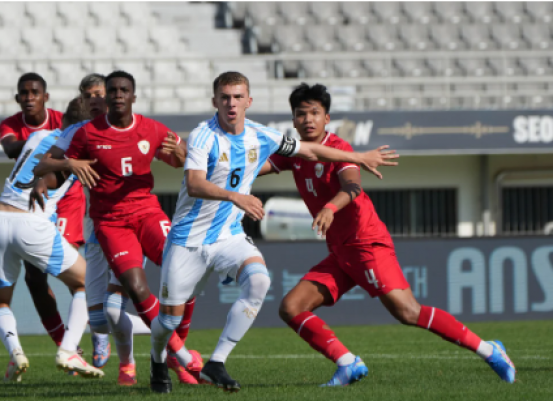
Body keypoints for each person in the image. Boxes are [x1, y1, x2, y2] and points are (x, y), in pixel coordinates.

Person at [148, 72, 399, 393]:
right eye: (225, 97)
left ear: (249, 101)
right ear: (215, 102)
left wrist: (358, 157)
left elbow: (310, 151)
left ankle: (216, 362)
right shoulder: (202, 136)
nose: (231, 103)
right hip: (187, 241)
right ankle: (157, 360)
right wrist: (236, 196)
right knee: (168, 321)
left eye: (238, 97)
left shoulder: (261, 135)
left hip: (227, 236)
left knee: (259, 280)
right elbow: (195, 184)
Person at [271, 83, 516, 386]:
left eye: (314, 113)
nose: (308, 119)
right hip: (341, 251)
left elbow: (352, 186)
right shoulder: (294, 153)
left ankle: (490, 350)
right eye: (301, 114)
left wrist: (331, 208)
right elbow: (254, 168)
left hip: (366, 243)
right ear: (293, 120)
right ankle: (348, 364)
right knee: (291, 307)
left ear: (327, 118)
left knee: (408, 312)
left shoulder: (340, 149)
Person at [34, 71, 201, 385]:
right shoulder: (83, 134)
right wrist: (58, 172)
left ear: (133, 96)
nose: (116, 95)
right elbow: (47, 167)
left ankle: (173, 357)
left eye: (123, 89)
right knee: (116, 307)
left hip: (148, 213)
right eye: (112, 90)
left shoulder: (151, 128)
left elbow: (182, 158)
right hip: (109, 223)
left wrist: (181, 156)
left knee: (183, 272)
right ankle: (176, 357)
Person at [0, 99, 104, 382]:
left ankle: (16, 353)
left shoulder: (38, 135)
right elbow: (50, 173)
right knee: (87, 282)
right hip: (32, 222)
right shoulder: (75, 149)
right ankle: (68, 350)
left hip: (0, 219)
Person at [0, 73, 90, 355]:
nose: (29, 98)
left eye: (34, 93)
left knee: (73, 274)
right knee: (34, 280)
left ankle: (86, 342)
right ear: (17, 98)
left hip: (64, 198)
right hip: (33, 199)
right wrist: (36, 143)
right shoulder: (12, 125)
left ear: (45, 97)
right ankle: (64, 342)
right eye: (23, 93)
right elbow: (10, 148)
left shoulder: (62, 122)